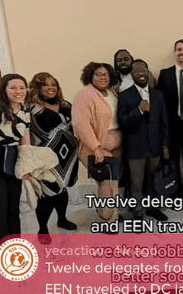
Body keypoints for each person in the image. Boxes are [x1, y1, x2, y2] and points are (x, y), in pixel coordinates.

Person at [0, 73, 32, 245]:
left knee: (13, 211)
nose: (19, 91)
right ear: (4, 89)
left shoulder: (24, 110)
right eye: (13, 88)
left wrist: (26, 167)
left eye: (22, 87)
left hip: (11, 160)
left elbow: (25, 140)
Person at [26, 72, 79, 236]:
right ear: (37, 88)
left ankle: (62, 219)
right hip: (44, 157)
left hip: (68, 157)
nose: (50, 88)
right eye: (46, 85)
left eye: (53, 85)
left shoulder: (66, 105)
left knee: (62, 190)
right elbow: (26, 134)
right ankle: (43, 229)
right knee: (46, 194)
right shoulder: (31, 109)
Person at [117, 59, 170, 222]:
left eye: (143, 70)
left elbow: (164, 122)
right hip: (135, 149)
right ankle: (138, 212)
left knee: (152, 180)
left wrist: (165, 145)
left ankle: (152, 208)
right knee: (136, 183)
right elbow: (122, 121)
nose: (141, 73)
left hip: (155, 147)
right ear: (132, 75)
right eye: (137, 71)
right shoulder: (125, 96)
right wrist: (139, 110)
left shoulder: (158, 95)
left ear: (148, 72)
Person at [72, 62, 122, 230]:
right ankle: (107, 221)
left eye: (106, 74)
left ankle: (111, 213)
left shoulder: (112, 93)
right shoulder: (85, 95)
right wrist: (96, 147)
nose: (102, 77)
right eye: (98, 74)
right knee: (106, 182)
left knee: (114, 182)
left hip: (116, 147)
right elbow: (81, 124)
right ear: (90, 76)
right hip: (95, 148)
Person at [156, 39, 183, 195]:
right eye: (179, 49)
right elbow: (160, 102)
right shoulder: (164, 74)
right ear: (175, 53)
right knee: (172, 161)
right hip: (172, 125)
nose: (182, 52)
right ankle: (174, 193)